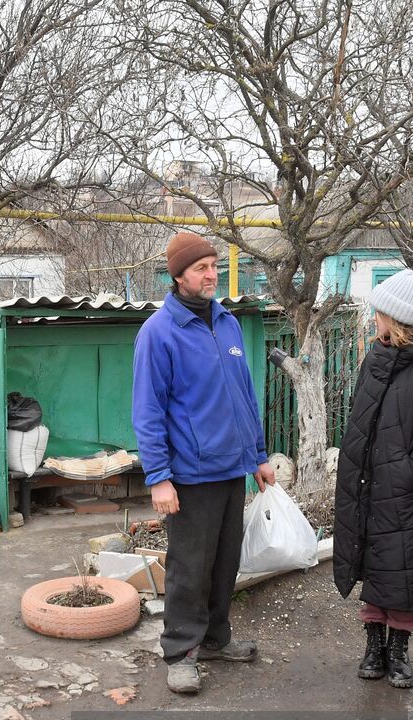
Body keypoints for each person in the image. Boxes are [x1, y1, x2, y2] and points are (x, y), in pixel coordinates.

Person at [132, 230, 275, 695]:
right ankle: (180, 652)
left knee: (224, 564)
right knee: (189, 568)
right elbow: (148, 410)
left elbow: (244, 396)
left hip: (231, 469)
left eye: (215, 266)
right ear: (178, 277)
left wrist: (257, 456)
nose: (212, 274)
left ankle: (215, 639)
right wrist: (158, 478)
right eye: (202, 268)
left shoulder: (227, 323)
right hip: (189, 476)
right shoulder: (159, 333)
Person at [334, 269, 413, 689]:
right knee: (370, 563)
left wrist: (407, 473)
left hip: (406, 491)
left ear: (397, 318)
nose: (374, 320)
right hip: (366, 484)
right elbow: (359, 415)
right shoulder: (375, 357)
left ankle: (399, 649)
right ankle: (373, 645)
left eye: (379, 313)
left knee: (404, 571)